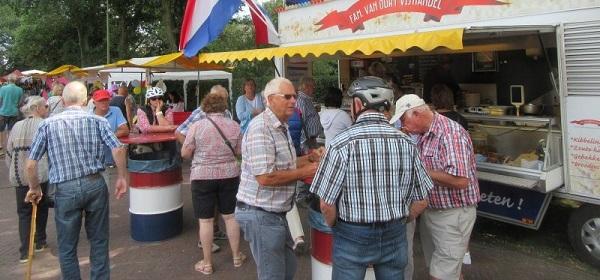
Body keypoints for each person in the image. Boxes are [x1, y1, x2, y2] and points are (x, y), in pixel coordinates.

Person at [310, 76, 433, 280]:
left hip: (351, 233)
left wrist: (336, 226)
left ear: (358, 104)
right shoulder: (407, 143)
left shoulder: (341, 144)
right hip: (394, 232)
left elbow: (326, 204)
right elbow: (421, 201)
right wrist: (402, 220)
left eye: (351, 103)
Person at [24, 81, 128, 280]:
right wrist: (122, 177)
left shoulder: (47, 124)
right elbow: (118, 148)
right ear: (86, 100)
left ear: (62, 100)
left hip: (65, 188)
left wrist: (34, 188)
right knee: (98, 241)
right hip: (95, 183)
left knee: (67, 246)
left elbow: (30, 164)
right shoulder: (98, 121)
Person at [235, 77, 321, 280]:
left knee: (287, 269)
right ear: (270, 99)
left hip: (274, 213)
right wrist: (307, 171)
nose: (293, 101)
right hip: (261, 214)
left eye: (295, 96)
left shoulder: (279, 126)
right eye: (288, 97)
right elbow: (265, 177)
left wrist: (310, 157)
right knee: (273, 275)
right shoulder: (261, 129)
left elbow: (285, 163)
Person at [389, 94, 480, 280]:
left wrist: (420, 170)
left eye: (404, 120)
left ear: (417, 114)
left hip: (452, 214)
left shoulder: (450, 134)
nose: (403, 126)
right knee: (445, 269)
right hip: (433, 211)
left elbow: (460, 180)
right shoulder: (424, 133)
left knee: (442, 273)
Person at [181, 91, 245, 275]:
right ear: (224, 107)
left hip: (202, 177)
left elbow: (185, 153)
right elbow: (240, 151)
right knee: (231, 217)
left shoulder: (197, 126)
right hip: (229, 175)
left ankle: (207, 263)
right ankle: (236, 256)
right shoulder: (234, 126)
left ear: (206, 107)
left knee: (206, 220)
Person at [175, 85, 233, 253]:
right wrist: (194, 152)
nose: (225, 102)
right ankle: (204, 240)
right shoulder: (200, 113)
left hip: (223, 168)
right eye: (223, 99)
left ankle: (214, 230)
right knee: (209, 204)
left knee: (217, 202)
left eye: (225, 99)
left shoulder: (227, 113)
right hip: (206, 168)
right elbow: (179, 132)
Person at [6, 96, 50, 263]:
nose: (47, 108)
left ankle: (25, 250)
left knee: (24, 213)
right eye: (45, 106)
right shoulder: (44, 124)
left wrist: (13, 168)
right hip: (39, 173)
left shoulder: (16, 126)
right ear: (38, 108)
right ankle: (40, 241)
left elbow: (9, 152)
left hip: (18, 175)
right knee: (41, 207)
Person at [91, 89, 129, 170]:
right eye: (101, 100)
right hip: (96, 160)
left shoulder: (115, 110)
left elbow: (125, 130)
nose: (104, 102)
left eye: (106, 100)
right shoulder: (88, 116)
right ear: (94, 103)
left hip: (114, 159)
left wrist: (105, 137)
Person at [296, 76, 323, 149]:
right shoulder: (301, 100)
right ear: (306, 86)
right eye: (313, 86)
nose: (314, 89)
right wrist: (303, 142)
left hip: (311, 139)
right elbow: (300, 121)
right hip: (306, 140)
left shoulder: (306, 99)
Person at [0, 74, 24, 155]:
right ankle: (10, 148)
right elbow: (21, 103)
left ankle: (1, 149)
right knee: (11, 131)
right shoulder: (20, 90)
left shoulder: (3, 88)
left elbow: (0, 100)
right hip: (14, 112)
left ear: (8, 80)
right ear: (15, 80)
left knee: (1, 131)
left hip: (3, 112)